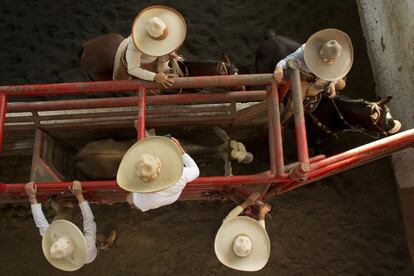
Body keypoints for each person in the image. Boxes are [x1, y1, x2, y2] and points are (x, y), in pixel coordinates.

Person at [25, 181, 97, 271]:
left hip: (72, 256)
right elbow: (89, 220)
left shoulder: (53, 241)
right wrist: (79, 195)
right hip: (90, 256)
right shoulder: (88, 246)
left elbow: (41, 224)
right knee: (93, 241)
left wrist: (32, 198)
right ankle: (101, 243)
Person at [117, 136, 199, 212]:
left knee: (129, 198)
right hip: (173, 196)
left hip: (162, 199)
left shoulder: (142, 202)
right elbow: (195, 170)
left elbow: (129, 199)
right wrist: (181, 150)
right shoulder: (181, 175)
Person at [112, 5, 187, 88]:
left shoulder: (160, 28)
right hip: (143, 60)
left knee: (165, 67)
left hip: (156, 57)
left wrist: (170, 51)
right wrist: (154, 76)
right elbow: (133, 69)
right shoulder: (135, 44)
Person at [274, 28, 353, 98]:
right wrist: (279, 67)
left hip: (324, 75)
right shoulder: (304, 51)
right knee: (297, 102)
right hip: (306, 76)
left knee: (341, 84)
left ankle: (323, 86)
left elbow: (337, 72)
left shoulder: (337, 58)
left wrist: (333, 82)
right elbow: (284, 61)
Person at [214, 192, 272, 272]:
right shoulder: (253, 237)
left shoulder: (226, 228)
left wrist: (247, 202)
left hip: (237, 213)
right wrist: (262, 215)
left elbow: (229, 217)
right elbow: (261, 231)